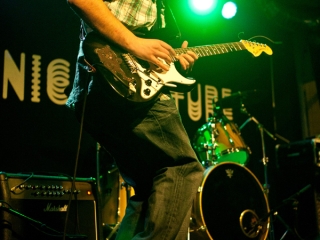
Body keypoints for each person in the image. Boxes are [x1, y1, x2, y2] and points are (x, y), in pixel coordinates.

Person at [65, 0, 204, 239]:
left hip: (106, 82)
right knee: (181, 166)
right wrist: (136, 44)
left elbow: (148, 48)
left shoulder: (162, 10)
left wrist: (171, 59)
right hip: (116, 74)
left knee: (149, 188)